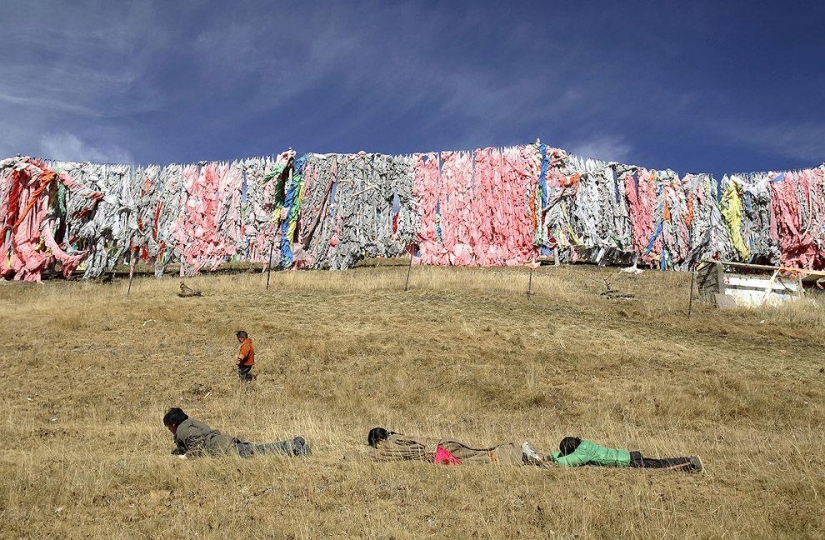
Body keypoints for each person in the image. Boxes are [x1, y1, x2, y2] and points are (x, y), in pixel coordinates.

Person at [162, 407, 310, 458]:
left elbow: (197, 444)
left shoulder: (183, 429)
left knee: (262, 451)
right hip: (227, 443)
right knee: (260, 449)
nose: (169, 430)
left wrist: (187, 457)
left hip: (224, 450)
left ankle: (294, 445)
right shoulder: (191, 422)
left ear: (173, 424)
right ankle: (293, 444)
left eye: (168, 427)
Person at [359, 427, 547, 467]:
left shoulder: (392, 443)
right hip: (444, 443)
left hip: (440, 452)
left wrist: (351, 456)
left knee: (479, 460)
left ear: (379, 441)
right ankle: (517, 451)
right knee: (478, 452)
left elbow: (379, 457)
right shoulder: (399, 436)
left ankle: (517, 455)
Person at [550, 436, 703, 472]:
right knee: (660, 463)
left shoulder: (583, 453)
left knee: (661, 466)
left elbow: (568, 461)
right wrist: (550, 456)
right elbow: (567, 456)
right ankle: (689, 462)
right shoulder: (585, 446)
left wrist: (552, 461)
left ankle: (690, 463)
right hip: (628, 456)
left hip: (629, 461)